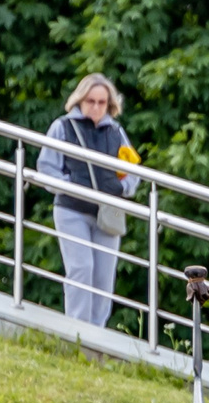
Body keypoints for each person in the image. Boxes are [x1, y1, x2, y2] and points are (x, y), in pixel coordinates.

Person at [36, 75, 140, 330]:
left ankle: (97, 331)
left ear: (110, 104)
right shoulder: (63, 127)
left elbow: (134, 169)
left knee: (104, 276)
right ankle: (77, 330)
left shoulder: (116, 131)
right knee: (81, 269)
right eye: (90, 101)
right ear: (80, 100)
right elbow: (46, 167)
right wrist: (70, 186)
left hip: (107, 213)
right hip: (71, 210)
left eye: (101, 102)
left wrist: (123, 188)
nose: (95, 107)